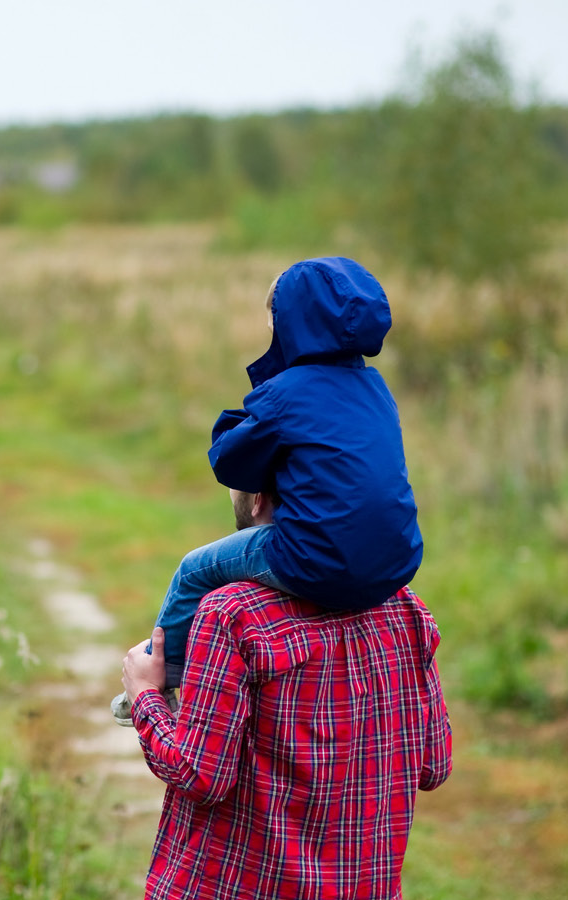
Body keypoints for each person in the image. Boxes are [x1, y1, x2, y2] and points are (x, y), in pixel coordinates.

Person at [113, 256, 422, 724]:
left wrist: (242, 421)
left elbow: (230, 462)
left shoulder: (289, 391)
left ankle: (163, 675)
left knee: (195, 569)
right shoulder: (375, 388)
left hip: (313, 557)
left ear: (294, 322)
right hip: (395, 563)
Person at [121, 487, 451, 900]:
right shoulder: (405, 609)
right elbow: (433, 766)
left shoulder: (232, 612)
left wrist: (145, 694)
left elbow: (199, 774)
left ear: (258, 498)